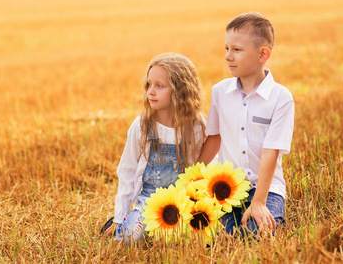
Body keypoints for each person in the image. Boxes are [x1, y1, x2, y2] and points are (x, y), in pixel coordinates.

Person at [197, 12, 294, 236]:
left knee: (256, 233)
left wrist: (259, 202)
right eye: (226, 49)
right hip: (225, 188)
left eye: (237, 50)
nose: (228, 56)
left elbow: (271, 151)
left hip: (266, 189)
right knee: (222, 235)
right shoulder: (220, 91)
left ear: (263, 54)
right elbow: (214, 139)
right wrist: (192, 176)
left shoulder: (280, 98)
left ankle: (271, 217)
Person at [101, 52, 206, 244]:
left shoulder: (196, 127)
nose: (151, 91)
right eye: (149, 84)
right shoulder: (141, 126)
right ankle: (128, 222)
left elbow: (204, 169)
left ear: (181, 90)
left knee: (196, 240)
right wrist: (119, 216)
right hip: (147, 204)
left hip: (182, 203)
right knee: (129, 238)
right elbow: (126, 171)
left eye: (160, 86)